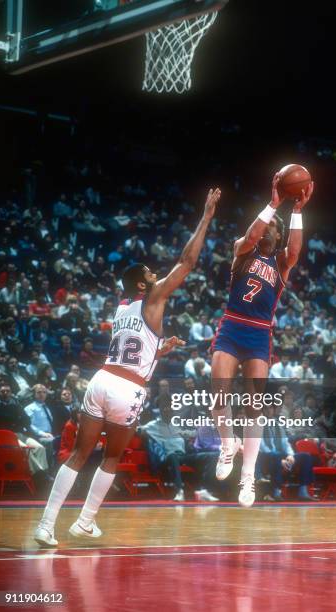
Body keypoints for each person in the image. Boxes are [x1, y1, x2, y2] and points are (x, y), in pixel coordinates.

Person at [34, 187, 221, 547]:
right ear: (142, 284)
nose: (156, 275)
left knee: (79, 453)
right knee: (113, 455)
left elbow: (134, 350)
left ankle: (46, 524)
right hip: (127, 388)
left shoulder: (122, 309)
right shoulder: (153, 296)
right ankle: (85, 521)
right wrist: (206, 216)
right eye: (151, 274)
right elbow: (187, 263)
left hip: (102, 379)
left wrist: (160, 350)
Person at [211, 173, 314, 506]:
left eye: (273, 228)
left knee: (254, 406)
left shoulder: (281, 262)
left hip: (259, 333)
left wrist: (297, 209)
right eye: (265, 226)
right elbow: (252, 232)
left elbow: (296, 249)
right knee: (218, 392)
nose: (266, 230)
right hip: (232, 326)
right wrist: (273, 204)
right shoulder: (241, 251)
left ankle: (248, 477)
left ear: (278, 234)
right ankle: (228, 445)